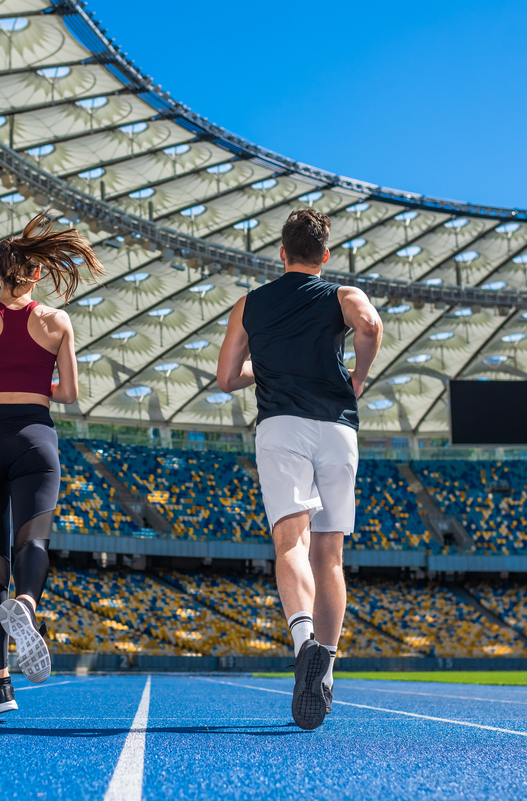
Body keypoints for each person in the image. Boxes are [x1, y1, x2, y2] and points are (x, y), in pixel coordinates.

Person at [216, 208, 382, 731]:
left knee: (291, 541)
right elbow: (371, 325)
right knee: (330, 553)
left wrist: (261, 367)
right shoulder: (342, 295)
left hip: (281, 426)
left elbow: (225, 378)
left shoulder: (250, 304)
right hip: (337, 426)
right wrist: (357, 375)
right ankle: (325, 670)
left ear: (282, 254)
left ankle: (303, 640)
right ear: (325, 256)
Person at [0, 210, 103, 714]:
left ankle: (0, 688)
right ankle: (28, 605)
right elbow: (72, 393)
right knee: (33, 538)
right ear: (37, 273)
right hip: (36, 436)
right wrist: (39, 385)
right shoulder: (56, 321)